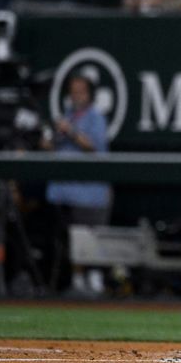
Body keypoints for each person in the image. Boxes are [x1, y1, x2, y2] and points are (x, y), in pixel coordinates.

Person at [42, 73, 112, 295]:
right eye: (73, 91)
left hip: (89, 192)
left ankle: (95, 279)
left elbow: (93, 146)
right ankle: (77, 279)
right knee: (69, 238)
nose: (76, 95)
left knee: (91, 236)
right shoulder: (67, 116)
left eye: (81, 91)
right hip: (64, 191)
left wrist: (69, 132)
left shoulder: (95, 118)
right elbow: (53, 147)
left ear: (90, 94)